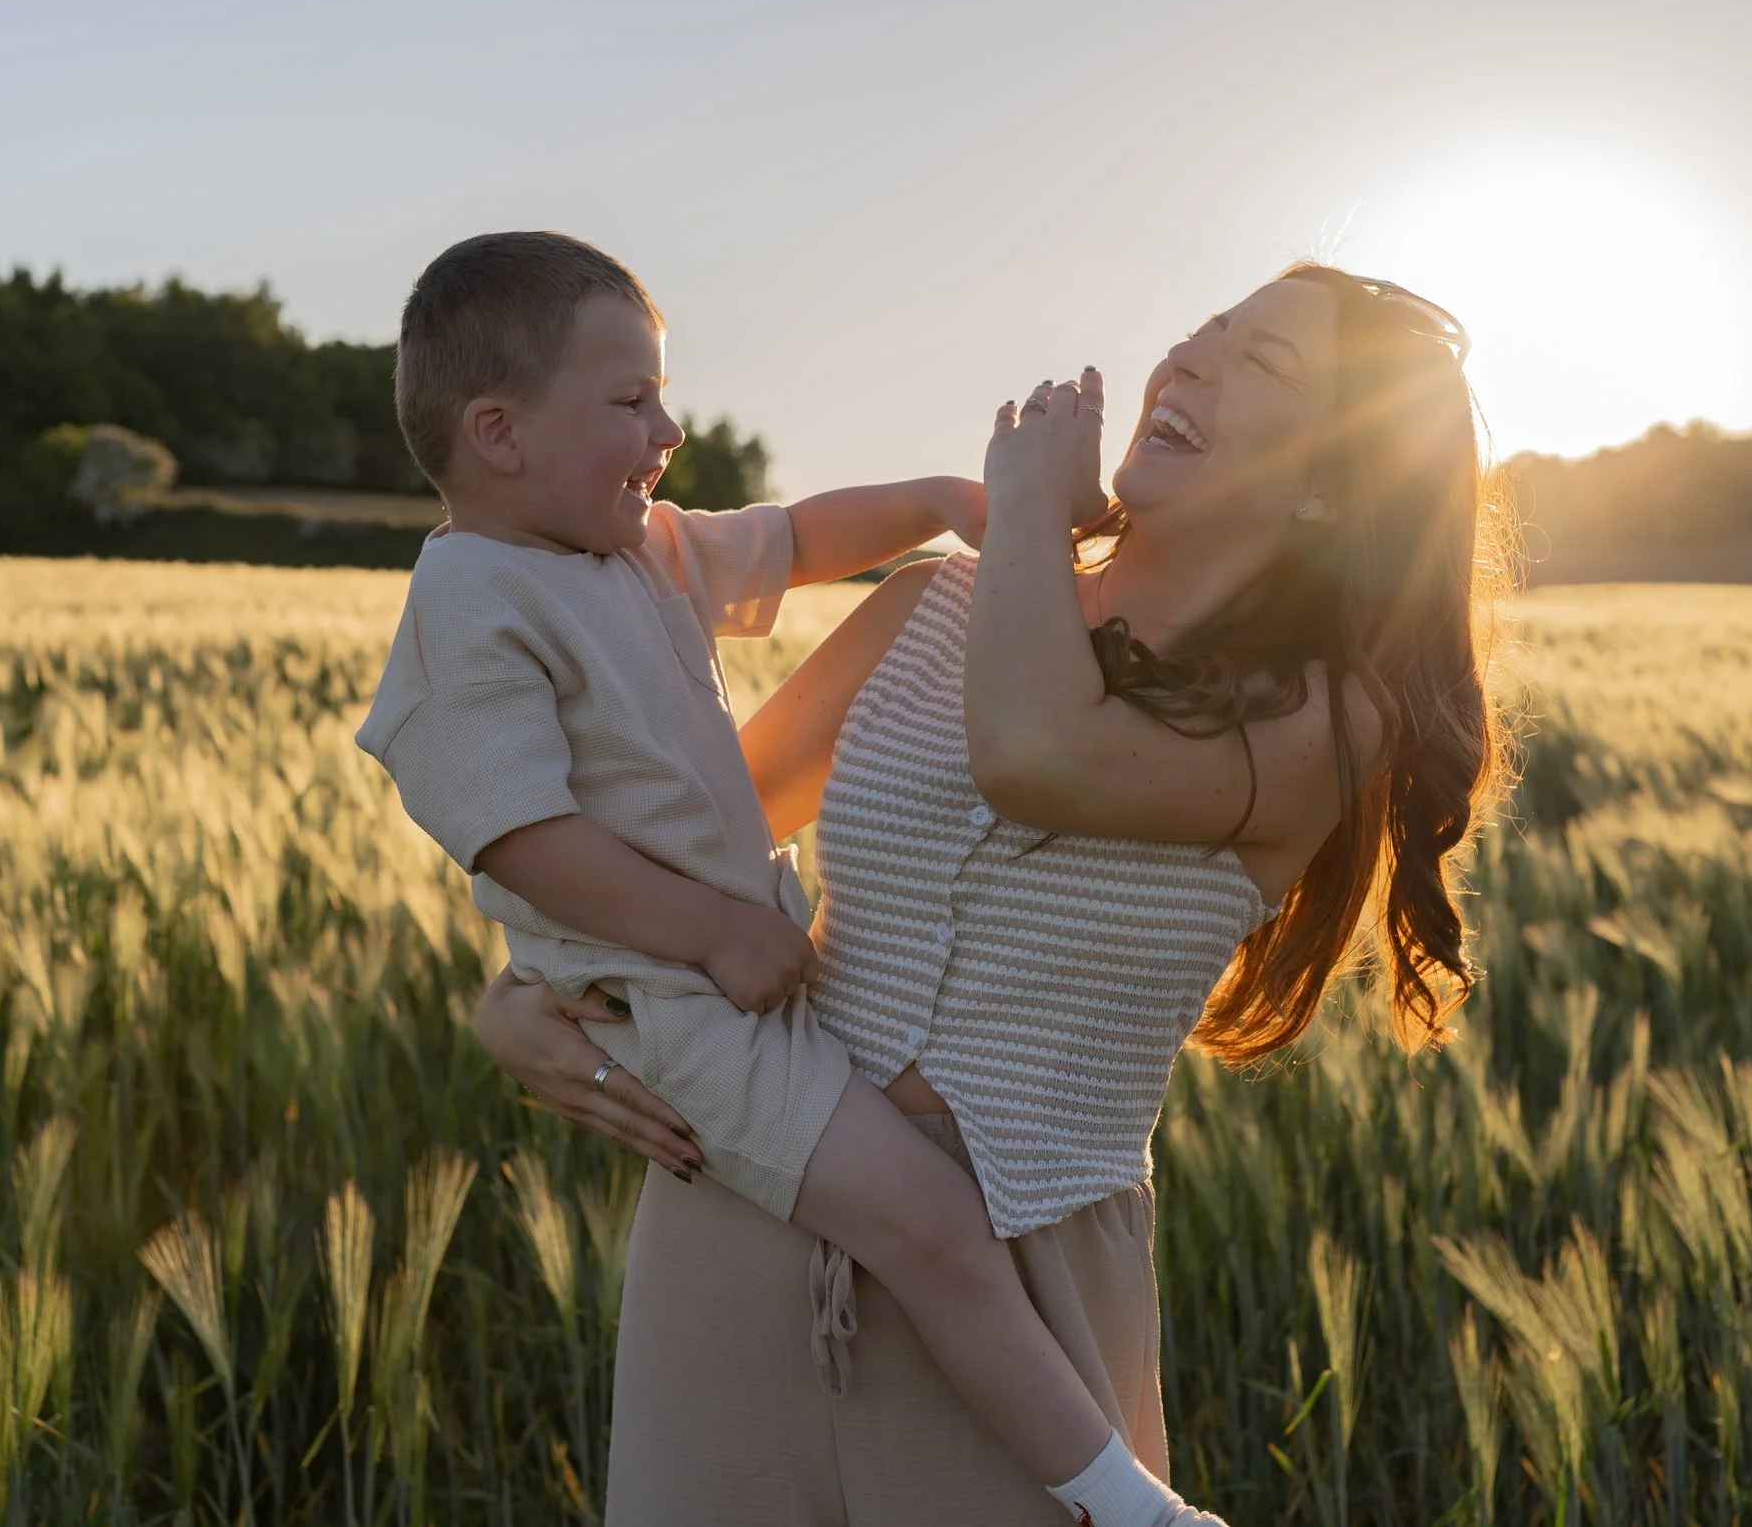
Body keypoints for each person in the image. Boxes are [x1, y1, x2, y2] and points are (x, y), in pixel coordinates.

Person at [479, 262, 1515, 1523]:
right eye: (1200, 333)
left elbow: (1035, 755)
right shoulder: (924, 604)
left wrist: (1023, 502)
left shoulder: (1325, 722)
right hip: (738, 1210)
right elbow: (676, 849)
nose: (1186, 360)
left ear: (1323, 487)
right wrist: (520, 998)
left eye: (1264, 364)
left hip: (1022, 1283)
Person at [358, 232, 1230, 1527]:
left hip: (720, 974)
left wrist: (944, 496)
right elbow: (518, 835)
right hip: (672, 995)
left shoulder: (633, 548)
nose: (670, 424)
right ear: (499, 431)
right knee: (934, 1221)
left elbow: (798, 533)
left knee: (929, 1227)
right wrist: (711, 926)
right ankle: (1134, 1506)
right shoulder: (471, 597)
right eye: (631, 400)